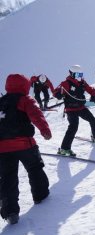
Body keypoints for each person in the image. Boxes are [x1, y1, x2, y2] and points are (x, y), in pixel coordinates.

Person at [0, 74, 52, 225]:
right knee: (35, 168)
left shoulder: (1, 102)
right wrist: (45, 130)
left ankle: (10, 212)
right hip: (24, 144)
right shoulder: (25, 99)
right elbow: (36, 114)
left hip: (2, 149)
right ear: (24, 85)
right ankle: (40, 195)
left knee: (7, 178)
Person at [54, 65, 95, 156]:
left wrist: (93, 95)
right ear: (72, 74)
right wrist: (58, 94)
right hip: (71, 109)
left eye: (81, 74)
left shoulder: (82, 82)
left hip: (81, 107)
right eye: (77, 74)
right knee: (73, 127)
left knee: (94, 121)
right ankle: (64, 149)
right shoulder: (66, 83)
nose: (79, 76)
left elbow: (91, 89)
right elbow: (56, 91)